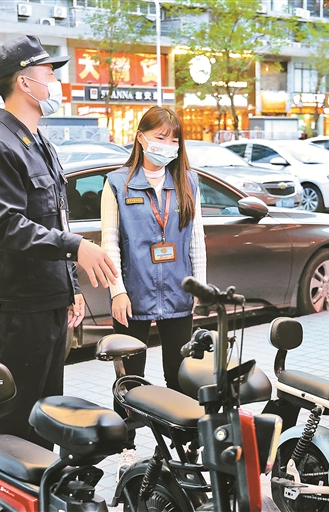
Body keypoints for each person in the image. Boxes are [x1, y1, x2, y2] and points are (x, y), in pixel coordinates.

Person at [0, 35, 117, 446]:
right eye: (49, 73)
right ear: (23, 82)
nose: (55, 82)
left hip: (46, 304)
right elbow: (5, 225)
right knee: (12, 424)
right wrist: (76, 247)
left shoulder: (39, 142)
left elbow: (55, 218)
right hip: (16, 310)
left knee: (44, 418)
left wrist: (70, 288)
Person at [101, 106, 206, 470]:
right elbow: (109, 243)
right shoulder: (118, 184)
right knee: (130, 378)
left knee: (180, 374)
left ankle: (183, 444)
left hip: (178, 293)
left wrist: (199, 288)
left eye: (174, 139)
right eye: (161, 137)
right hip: (132, 295)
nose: (168, 145)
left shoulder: (187, 182)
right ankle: (127, 447)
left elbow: (196, 240)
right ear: (141, 138)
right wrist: (117, 290)